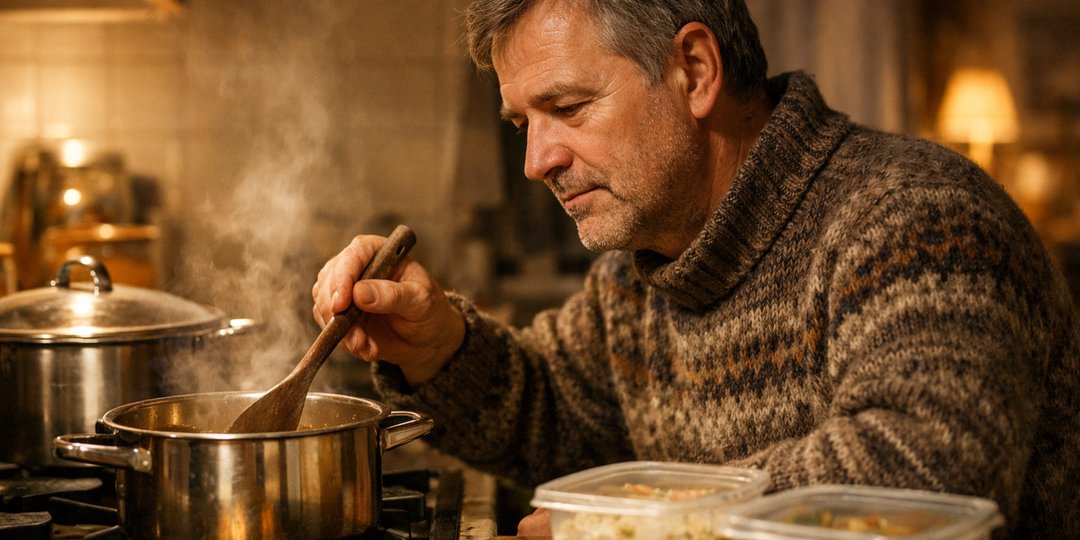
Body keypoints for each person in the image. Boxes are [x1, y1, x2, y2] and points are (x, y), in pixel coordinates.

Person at [312, 0, 1080, 536]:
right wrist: (437, 347)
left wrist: (629, 527)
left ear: (696, 69)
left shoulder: (920, 221)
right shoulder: (641, 273)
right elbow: (556, 409)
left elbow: (923, 473)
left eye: (568, 108)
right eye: (523, 123)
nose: (535, 161)